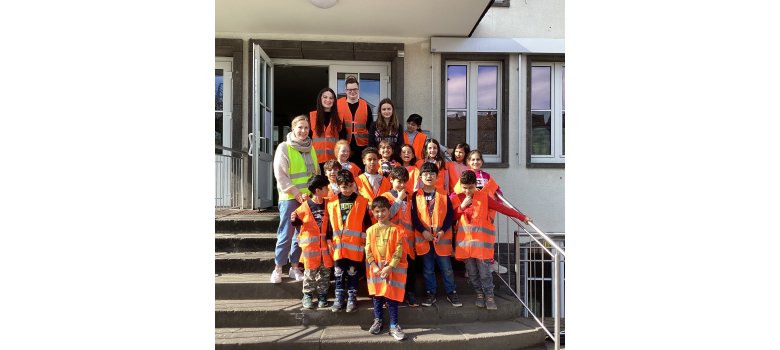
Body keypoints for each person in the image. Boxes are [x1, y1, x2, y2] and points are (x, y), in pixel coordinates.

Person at [450, 170, 531, 310]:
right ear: (460, 185)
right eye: (464, 188)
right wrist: (462, 206)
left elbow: (502, 208)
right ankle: (479, 294)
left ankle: (489, 296)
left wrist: (522, 217)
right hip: (465, 246)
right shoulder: (457, 197)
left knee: (485, 273)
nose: (467, 191)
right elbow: (451, 218)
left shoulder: (483, 197)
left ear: (476, 185)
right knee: (472, 273)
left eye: (470, 187)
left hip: (482, 246)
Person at [270, 115, 319, 284]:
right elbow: (281, 176)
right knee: (286, 234)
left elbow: (316, 174)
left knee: (301, 235)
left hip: (306, 199)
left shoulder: (311, 148)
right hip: (290, 197)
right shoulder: (284, 147)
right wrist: (297, 193)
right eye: (300, 128)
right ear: (293, 129)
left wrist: (312, 194)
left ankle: (295, 267)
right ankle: (278, 268)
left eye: (306, 128)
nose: (303, 131)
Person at [411, 162, 461, 307]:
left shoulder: (444, 194)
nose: (429, 176)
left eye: (432, 174)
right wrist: (423, 231)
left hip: (441, 238)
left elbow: (450, 215)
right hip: (424, 238)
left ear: (437, 176)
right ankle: (430, 293)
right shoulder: (416, 195)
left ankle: (451, 292)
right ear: (420, 177)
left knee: (447, 268)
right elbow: (414, 217)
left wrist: (442, 231)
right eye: (425, 174)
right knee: (428, 269)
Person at [328, 170, 373, 313]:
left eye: (349, 186)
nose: (347, 190)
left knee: (353, 273)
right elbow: (329, 224)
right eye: (343, 187)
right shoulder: (332, 202)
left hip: (355, 245)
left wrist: (367, 241)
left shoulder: (362, 201)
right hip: (338, 246)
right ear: (338, 186)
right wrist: (328, 239)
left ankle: (352, 298)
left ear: (354, 184)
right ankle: (339, 298)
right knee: (338, 272)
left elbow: (367, 224)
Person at [365, 196, 408, 341]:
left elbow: (399, 250)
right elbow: (368, 250)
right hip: (376, 270)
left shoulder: (397, 230)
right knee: (377, 296)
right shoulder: (370, 230)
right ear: (372, 212)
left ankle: (394, 325)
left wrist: (390, 267)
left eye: (383, 211)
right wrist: (373, 265)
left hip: (392, 270)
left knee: (391, 297)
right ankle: (378, 320)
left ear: (389, 211)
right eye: (377, 211)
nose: (380, 214)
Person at [290, 175, 334, 309]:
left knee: (325, 274)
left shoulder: (329, 204)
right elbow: (296, 222)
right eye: (326, 188)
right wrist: (293, 219)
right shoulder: (305, 207)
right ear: (318, 191)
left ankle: (322, 296)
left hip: (326, 248)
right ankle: (307, 296)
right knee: (310, 274)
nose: (328, 189)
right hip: (311, 249)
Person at [380, 166, 419, 307]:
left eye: (404, 182)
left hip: (408, 240)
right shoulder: (386, 196)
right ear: (391, 180)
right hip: (391, 240)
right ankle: (389, 296)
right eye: (399, 181)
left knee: (410, 268)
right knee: (391, 268)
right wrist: (398, 199)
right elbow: (385, 216)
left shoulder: (410, 197)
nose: (402, 185)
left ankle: (410, 294)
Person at [337, 76, 373, 166]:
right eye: (350, 90)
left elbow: (371, 127)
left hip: (362, 147)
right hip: (344, 146)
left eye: (355, 89)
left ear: (358, 89)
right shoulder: (338, 104)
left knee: (360, 171)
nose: (352, 92)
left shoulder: (366, 106)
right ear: (345, 90)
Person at [310, 88, 346, 174]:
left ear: (334, 100)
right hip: (316, 160)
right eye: (325, 97)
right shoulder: (312, 115)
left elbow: (343, 139)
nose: (328, 100)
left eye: (331, 98)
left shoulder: (339, 117)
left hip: (333, 161)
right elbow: (307, 138)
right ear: (320, 99)